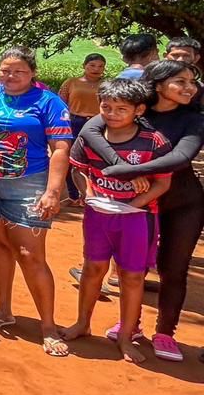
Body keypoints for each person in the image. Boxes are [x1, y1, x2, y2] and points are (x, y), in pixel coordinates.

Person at [73, 60, 203, 361]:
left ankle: (165, 333)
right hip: (134, 207)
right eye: (181, 81)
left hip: (180, 202)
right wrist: (124, 170)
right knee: (133, 270)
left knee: (173, 268)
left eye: (192, 82)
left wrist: (127, 172)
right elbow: (90, 131)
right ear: (158, 85)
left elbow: (180, 158)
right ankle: (131, 325)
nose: (190, 88)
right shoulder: (129, 107)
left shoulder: (194, 119)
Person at [0, 47, 73, 356]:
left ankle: (48, 326)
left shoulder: (48, 102)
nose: (11, 76)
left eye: (19, 71)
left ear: (32, 73)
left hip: (29, 183)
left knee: (30, 255)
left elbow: (61, 149)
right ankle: (3, 310)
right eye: (5, 70)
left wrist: (53, 191)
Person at [63, 79, 172, 364]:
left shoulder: (154, 141)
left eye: (121, 109)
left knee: (132, 276)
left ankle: (125, 336)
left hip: (137, 218)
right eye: (106, 107)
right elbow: (78, 170)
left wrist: (131, 206)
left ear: (139, 110)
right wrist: (87, 193)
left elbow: (162, 184)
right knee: (92, 269)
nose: (111, 113)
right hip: (98, 215)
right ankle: (82, 323)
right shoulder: (90, 138)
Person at [58, 53, 108, 201]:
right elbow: (60, 104)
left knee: (96, 158)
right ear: (84, 66)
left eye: (100, 66)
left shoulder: (106, 85)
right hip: (74, 123)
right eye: (92, 65)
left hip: (98, 124)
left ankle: (94, 193)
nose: (96, 69)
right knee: (71, 158)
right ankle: (73, 194)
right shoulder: (71, 83)